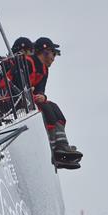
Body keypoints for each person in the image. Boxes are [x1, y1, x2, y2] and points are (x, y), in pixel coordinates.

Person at [26, 37, 83, 169]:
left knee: (53, 108)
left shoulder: (45, 70)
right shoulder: (29, 63)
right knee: (47, 111)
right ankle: (54, 148)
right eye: (53, 54)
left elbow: (41, 90)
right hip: (22, 100)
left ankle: (62, 144)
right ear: (45, 51)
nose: (53, 58)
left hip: (32, 99)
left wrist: (42, 97)